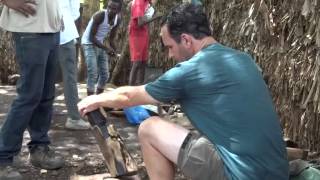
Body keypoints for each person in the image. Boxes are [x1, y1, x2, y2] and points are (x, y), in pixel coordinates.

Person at [78, 3, 289, 180]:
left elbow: (129, 96)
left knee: (149, 128)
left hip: (240, 175)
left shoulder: (192, 70)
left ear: (187, 40)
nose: (170, 55)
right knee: (202, 137)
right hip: (278, 170)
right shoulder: (244, 59)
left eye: (169, 47)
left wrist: (96, 99)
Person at [0, 0, 64, 179]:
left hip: (51, 28)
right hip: (29, 27)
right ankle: (3, 157)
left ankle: (39, 148)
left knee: (46, 94)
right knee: (29, 96)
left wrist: (57, 16)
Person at [58, 0, 90, 130]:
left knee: (44, 75)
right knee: (69, 76)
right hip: (64, 32)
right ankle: (73, 117)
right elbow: (74, 12)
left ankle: (35, 115)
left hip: (43, 32)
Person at [81, 0, 122, 96]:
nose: (110, 10)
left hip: (100, 44)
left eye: (114, 8)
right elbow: (91, 37)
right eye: (109, 7)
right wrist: (107, 49)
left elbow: (112, 39)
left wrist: (115, 52)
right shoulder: (100, 15)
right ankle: (90, 101)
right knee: (93, 73)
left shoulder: (118, 19)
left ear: (118, 10)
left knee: (105, 75)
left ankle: (98, 99)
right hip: (89, 43)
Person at [128, 0, 156, 85]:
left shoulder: (147, 2)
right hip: (136, 34)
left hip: (143, 33)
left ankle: (140, 87)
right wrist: (155, 17)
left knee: (143, 62)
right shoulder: (139, 2)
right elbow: (140, 22)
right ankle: (130, 90)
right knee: (137, 63)